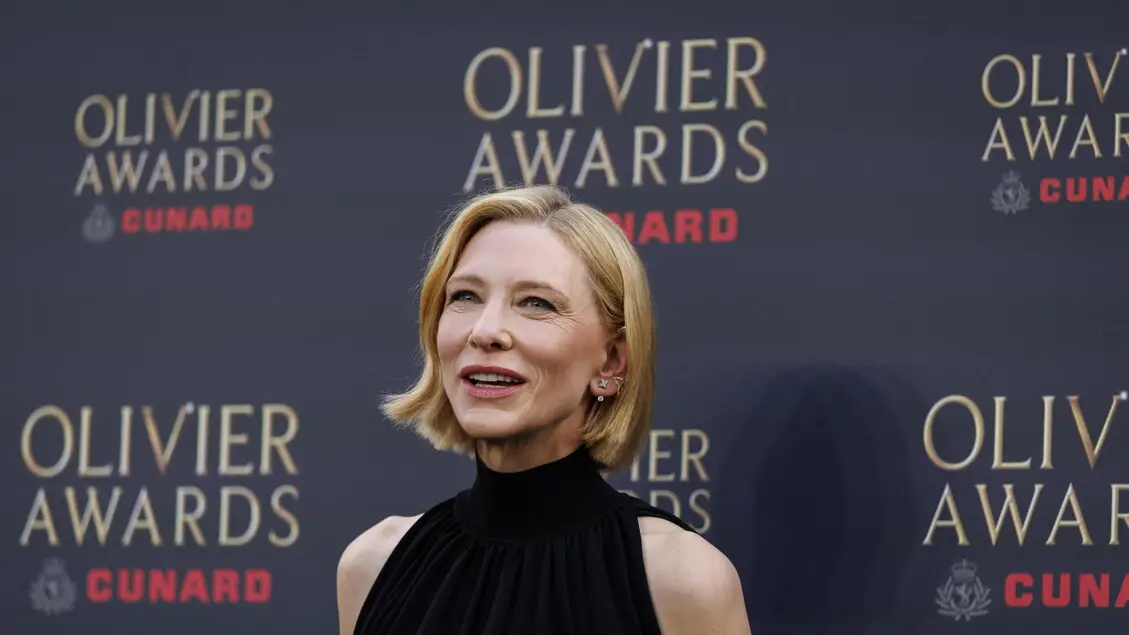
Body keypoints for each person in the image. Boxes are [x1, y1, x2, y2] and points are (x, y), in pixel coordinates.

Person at [336, 185, 751, 634]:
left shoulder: (680, 581)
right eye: (465, 296)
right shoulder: (375, 564)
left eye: (536, 303)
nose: (485, 331)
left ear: (612, 361)